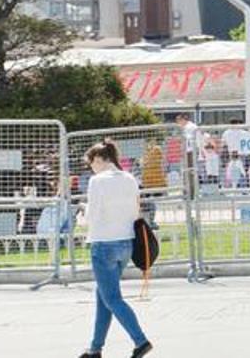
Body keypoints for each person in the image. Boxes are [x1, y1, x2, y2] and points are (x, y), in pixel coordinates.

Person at [80, 140, 153, 358]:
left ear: (100, 159)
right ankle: (95, 348)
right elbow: (134, 211)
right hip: (126, 243)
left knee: (111, 298)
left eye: (91, 162)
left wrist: (83, 212)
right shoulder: (130, 178)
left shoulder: (97, 181)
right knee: (104, 295)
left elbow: (92, 216)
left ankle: (140, 340)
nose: (91, 166)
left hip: (103, 242)